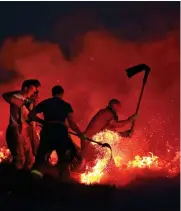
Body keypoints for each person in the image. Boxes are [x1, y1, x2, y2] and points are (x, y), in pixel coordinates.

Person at [29, 85, 86, 179]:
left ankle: (34, 182)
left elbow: (31, 115)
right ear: (62, 94)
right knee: (64, 161)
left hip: (47, 132)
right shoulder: (66, 105)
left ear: (52, 93)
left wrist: (42, 122)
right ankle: (63, 184)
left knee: (40, 159)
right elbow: (72, 123)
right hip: (61, 134)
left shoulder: (45, 103)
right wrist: (80, 134)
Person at [2, 79, 41, 170]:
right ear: (25, 88)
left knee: (30, 160)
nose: (35, 90)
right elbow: (7, 96)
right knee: (19, 159)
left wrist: (34, 104)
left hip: (26, 133)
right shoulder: (17, 96)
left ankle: (25, 181)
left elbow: (31, 117)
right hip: (17, 130)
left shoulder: (29, 101)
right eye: (33, 88)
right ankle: (13, 181)